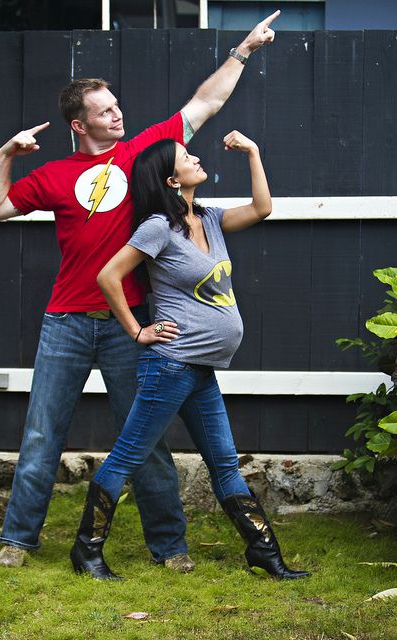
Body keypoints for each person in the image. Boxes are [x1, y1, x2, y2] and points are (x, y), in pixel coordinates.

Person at [0, 10, 281, 571]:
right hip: (66, 321)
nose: (118, 114)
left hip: (131, 323)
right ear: (79, 124)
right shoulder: (53, 176)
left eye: (116, 106)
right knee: (42, 434)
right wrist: (6, 155)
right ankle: (18, 539)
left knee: (147, 440)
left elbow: (205, 103)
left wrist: (244, 50)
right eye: (105, 111)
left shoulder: (143, 152)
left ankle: (170, 547)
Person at [70, 131, 310, 581]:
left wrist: (254, 152)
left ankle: (264, 553)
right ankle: (87, 551)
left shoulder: (209, 218)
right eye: (186, 156)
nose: (196, 158)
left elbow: (262, 208)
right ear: (171, 179)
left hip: (200, 368)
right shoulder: (157, 227)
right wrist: (138, 330)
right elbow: (108, 276)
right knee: (127, 457)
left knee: (224, 462)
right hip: (171, 364)